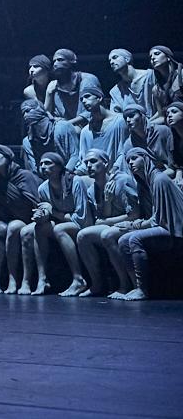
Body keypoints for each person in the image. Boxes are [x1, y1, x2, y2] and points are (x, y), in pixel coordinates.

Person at [19, 152, 92, 296]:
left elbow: (82, 219)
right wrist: (42, 216)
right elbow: (48, 213)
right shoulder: (43, 188)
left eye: (48, 163)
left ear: (59, 167)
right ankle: (42, 279)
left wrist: (53, 212)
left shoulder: (75, 182)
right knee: (37, 228)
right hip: (63, 222)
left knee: (59, 229)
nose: (43, 166)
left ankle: (78, 279)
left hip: (82, 224)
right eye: (41, 164)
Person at [115, 148, 183, 300]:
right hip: (164, 226)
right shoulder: (145, 183)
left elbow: (159, 220)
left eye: (134, 158)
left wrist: (133, 225)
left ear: (146, 159)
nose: (130, 163)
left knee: (134, 239)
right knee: (123, 240)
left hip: (174, 230)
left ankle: (143, 290)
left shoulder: (159, 180)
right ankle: (135, 286)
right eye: (128, 160)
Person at [76, 149, 140, 297]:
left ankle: (125, 284)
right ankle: (97, 283)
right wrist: (107, 201)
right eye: (86, 162)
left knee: (107, 234)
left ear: (105, 163)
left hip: (133, 224)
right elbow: (101, 217)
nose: (89, 165)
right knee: (82, 236)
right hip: (113, 225)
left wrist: (106, 221)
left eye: (93, 161)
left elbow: (134, 214)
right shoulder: (92, 190)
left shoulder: (122, 180)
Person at [0, 145, 40, 294]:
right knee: (10, 227)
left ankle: (25, 281)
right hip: (11, 220)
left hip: (31, 218)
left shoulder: (24, 176)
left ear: (6, 157)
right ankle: (12, 279)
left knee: (15, 227)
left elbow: (35, 202)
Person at [74, 86, 128, 174]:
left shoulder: (119, 122)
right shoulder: (86, 131)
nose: (83, 101)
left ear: (99, 98)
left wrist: (115, 169)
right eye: (81, 99)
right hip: (94, 176)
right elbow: (84, 159)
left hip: (118, 174)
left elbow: (124, 150)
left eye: (87, 96)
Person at [20, 99, 79, 175]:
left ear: (39, 109)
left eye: (28, 111)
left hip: (69, 174)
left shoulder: (62, 127)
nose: (25, 115)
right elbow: (35, 168)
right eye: (23, 113)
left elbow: (75, 155)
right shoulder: (28, 142)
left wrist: (64, 175)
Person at [45, 48, 102, 127]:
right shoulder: (54, 86)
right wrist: (49, 93)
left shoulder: (87, 79)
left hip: (89, 126)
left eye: (60, 60)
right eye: (54, 61)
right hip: (64, 128)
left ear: (71, 61)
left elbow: (91, 111)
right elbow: (47, 113)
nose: (55, 64)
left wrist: (66, 124)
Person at [114, 104, 174, 176]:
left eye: (131, 116)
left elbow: (174, 159)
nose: (128, 120)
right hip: (148, 177)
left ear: (142, 116)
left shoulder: (162, 131)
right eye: (125, 118)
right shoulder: (129, 143)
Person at [108, 48, 155, 116]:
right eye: (110, 60)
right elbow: (116, 116)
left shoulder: (150, 76)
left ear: (127, 59)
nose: (111, 62)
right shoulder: (115, 91)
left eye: (115, 57)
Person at [149, 45, 182, 124]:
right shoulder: (156, 89)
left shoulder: (181, 75)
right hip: (171, 124)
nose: (153, 58)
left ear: (168, 57)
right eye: (150, 57)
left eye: (157, 54)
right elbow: (161, 116)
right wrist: (147, 124)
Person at [165, 101, 183, 191]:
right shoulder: (171, 139)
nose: (169, 115)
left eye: (174, 112)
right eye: (167, 114)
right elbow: (173, 166)